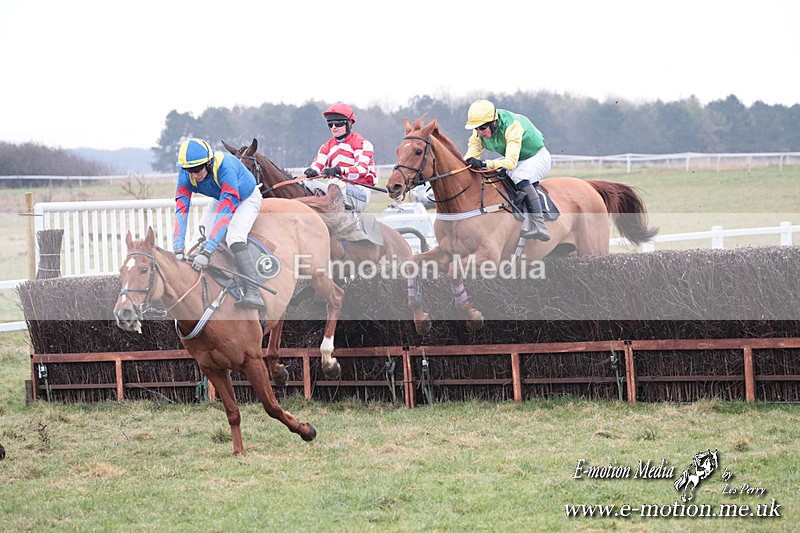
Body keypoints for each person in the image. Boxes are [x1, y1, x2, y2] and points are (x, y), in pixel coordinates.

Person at [173, 137, 264, 309]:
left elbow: (227, 208)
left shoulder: (225, 166)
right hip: (219, 197)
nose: (193, 175)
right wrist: (178, 248)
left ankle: (254, 291)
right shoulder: (186, 174)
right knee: (195, 242)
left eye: (197, 169)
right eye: (188, 170)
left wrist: (208, 251)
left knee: (234, 237)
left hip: (246, 197)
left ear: (208, 163)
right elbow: (181, 210)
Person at [463, 99, 551, 241]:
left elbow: (510, 163)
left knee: (519, 176)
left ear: (494, 122)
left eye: (483, 128)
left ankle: (539, 225)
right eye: (476, 128)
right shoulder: (479, 133)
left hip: (537, 157)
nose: (479, 132)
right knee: (490, 175)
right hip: (516, 160)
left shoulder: (512, 126)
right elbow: (469, 157)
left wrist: (484, 163)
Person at [302, 103, 377, 213]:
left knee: (337, 184)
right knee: (306, 184)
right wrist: (311, 172)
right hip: (335, 191)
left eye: (338, 123)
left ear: (349, 123)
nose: (333, 127)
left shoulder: (363, 144)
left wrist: (339, 170)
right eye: (330, 124)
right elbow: (317, 165)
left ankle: (351, 221)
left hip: (360, 193)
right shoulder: (326, 146)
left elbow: (362, 170)